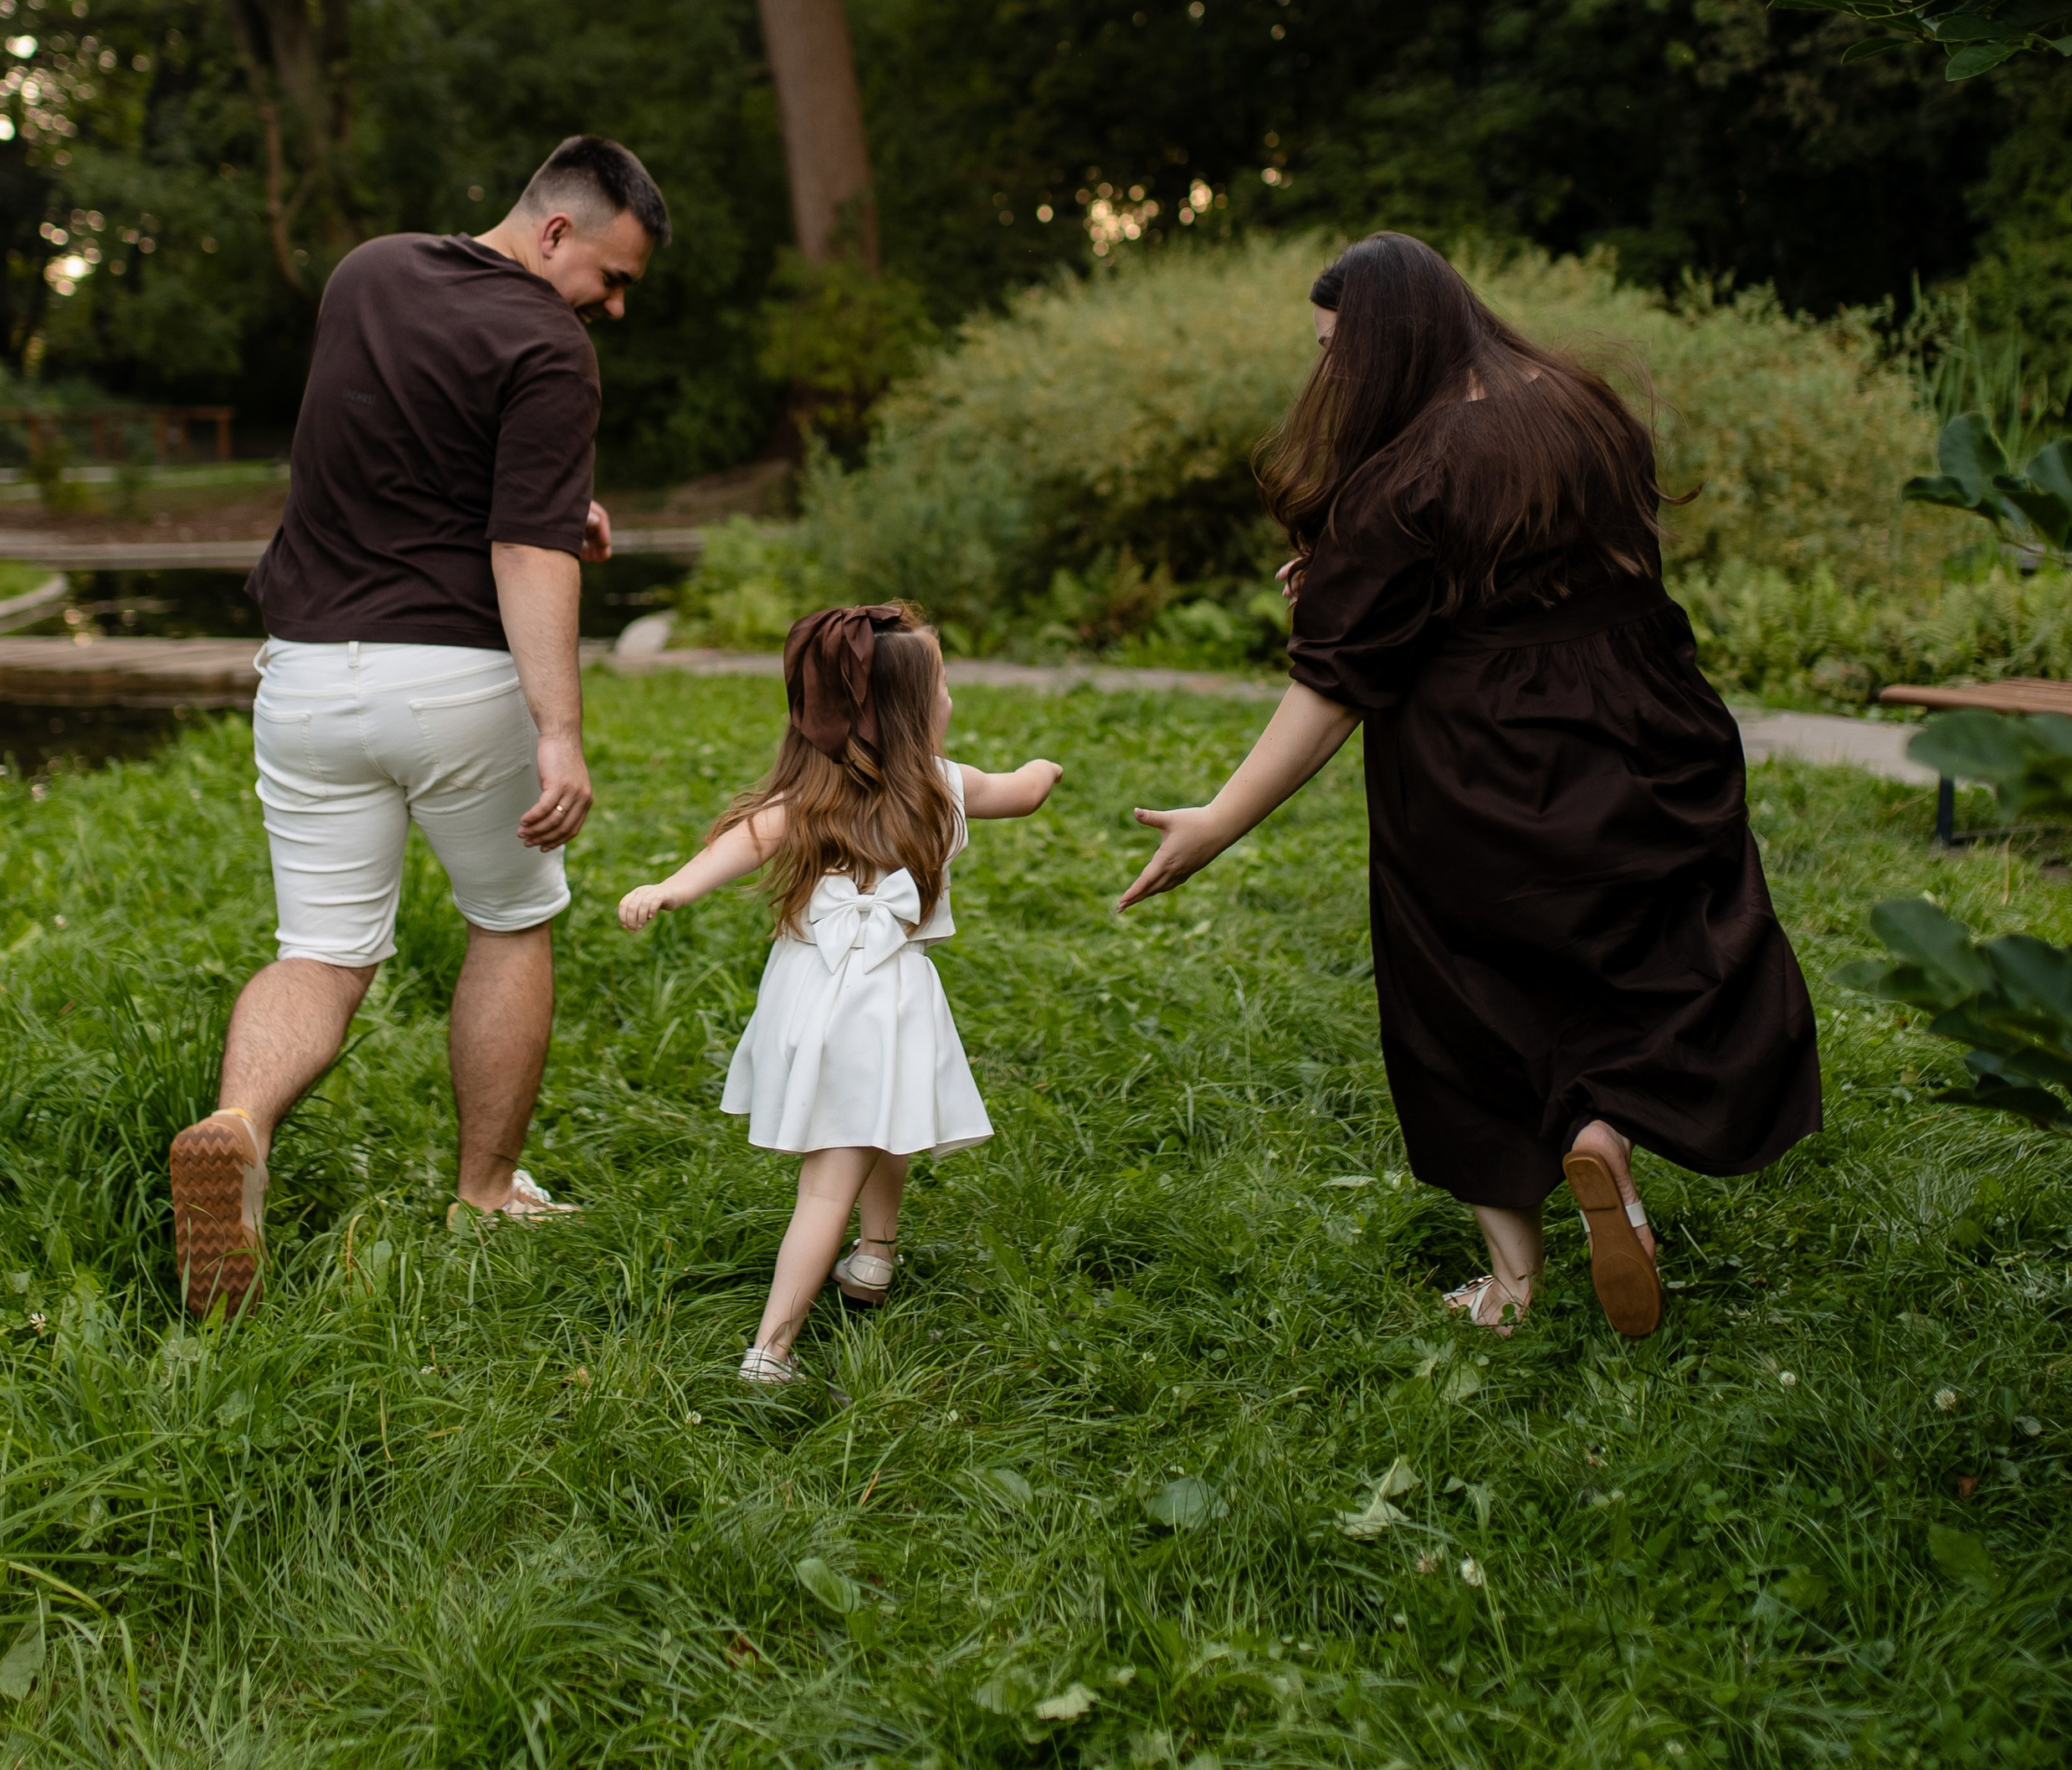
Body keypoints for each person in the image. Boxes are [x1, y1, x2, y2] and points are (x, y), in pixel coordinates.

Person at [1119, 233, 1819, 1338]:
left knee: (1465, 1001)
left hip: (1472, 762)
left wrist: (1219, 819)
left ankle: (1512, 1284)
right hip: (1643, 722)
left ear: (1390, 341)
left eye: (1334, 352)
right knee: (1660, 944)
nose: (1327, 377)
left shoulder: (1404, 479)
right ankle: (1607, 1132)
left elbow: (1333, 689)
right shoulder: (1584, 405)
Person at [170, 135, 669, 1316]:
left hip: (305, 678)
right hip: (452, 683)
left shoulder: (369, 272)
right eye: (614, 275)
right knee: (510, 922)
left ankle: (238, 1128)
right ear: (556, 234)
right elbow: (522, 546)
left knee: (324, 952)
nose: (612, 305)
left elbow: (391, 445)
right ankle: (486, 1193)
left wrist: (556, 502)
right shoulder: (550, 347)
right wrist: (560, 727)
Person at [618, 603, 1061, 1385]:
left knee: (892, 1113)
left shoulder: (809, 801)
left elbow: (738, 845)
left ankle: (876, 1257)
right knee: (829, 1185)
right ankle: (770, 1351)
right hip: (880, 1001)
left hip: (808, 993)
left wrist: (671, 888)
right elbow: (1022, 791)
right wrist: (1047, 769)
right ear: (912, 711)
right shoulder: (948, 789)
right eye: (945, 685)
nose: (952, 696)